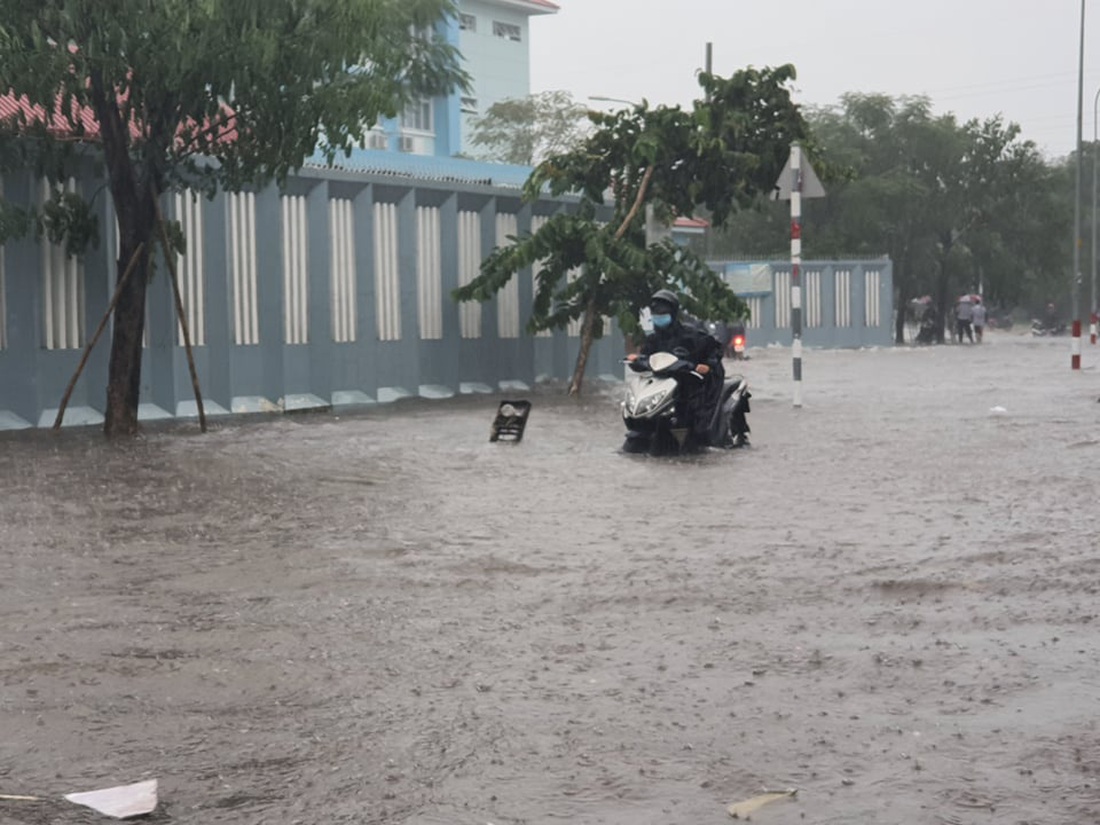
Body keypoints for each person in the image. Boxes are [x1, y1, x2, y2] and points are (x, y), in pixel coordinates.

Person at [628, 289, 724, 442]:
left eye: (663, 316)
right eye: (656, 316)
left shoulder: (691, 335)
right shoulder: (653, 339)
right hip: (663, 386)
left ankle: (700, 438)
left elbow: (714, 350)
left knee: (698, 421)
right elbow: (647, 357)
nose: (659, 319)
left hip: (691, 385)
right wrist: (637, 359)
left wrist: (707, 365)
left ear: (672, 315)